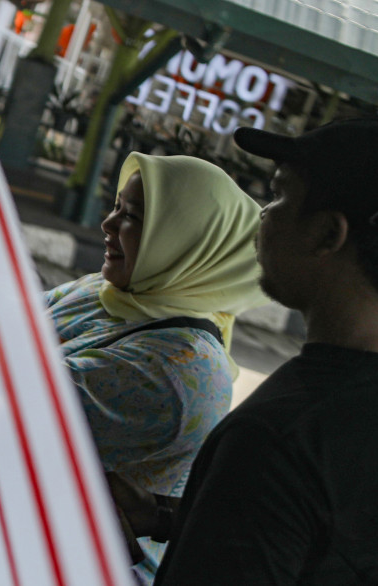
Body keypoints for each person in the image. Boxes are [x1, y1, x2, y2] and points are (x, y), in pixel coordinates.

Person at [110, 118, 378, 585]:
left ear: (327, 235)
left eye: (278, 196)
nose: (263, 214)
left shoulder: (277, 438)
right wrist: (171, 516)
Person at [45, 152, 266, 583]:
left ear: (187, 242)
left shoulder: (177, 370)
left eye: (132, 217)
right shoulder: (111, 293)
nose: (108, 224)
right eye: (116, 207)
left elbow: (0, 397)